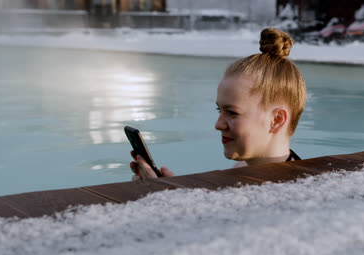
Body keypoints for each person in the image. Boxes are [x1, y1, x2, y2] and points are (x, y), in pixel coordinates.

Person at [130, 27, 307, 180]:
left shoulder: (294, 194)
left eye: (233, 112)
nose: (218, 124)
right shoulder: (243, 168)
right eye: (219, 110)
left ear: (276, 119)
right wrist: (171, 190)